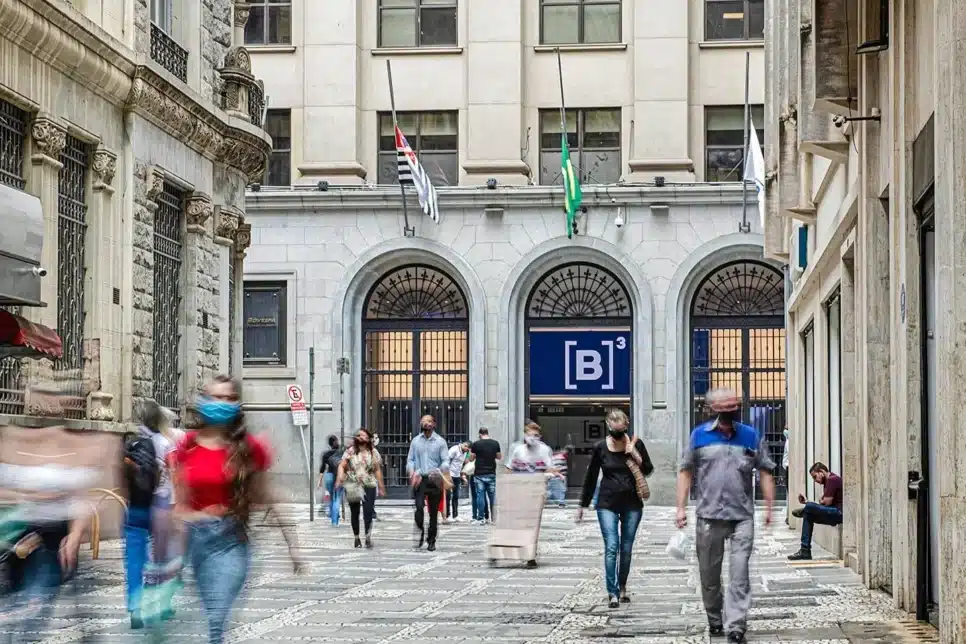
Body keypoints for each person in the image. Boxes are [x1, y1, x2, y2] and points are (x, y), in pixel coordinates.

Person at [171, 375, 305, 643]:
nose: (222, 403)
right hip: (197, 542)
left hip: (231, 540)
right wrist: (196, 520)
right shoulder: (188, 445)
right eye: (216, 397)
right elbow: (179, 507)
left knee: (216, 614)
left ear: (237, 404)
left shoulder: (249, 448)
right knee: (207, 613)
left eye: (229, 398)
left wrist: (293, 548)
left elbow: (269, 496)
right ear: (204, 401)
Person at [676, 388, 775, 644]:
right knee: (709, 575)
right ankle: (715, 619)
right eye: (725, 408)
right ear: (713, 410)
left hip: (742, 516)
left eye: (734, 406)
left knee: (739, 574)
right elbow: (685, 471)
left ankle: (736, 626)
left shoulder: (750, 436)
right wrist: (680, 507)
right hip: (708, 516)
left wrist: (769, 506)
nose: (731, 411)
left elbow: (765, 470)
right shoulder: (699, 436)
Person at [577, 410, 653, 608]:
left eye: (620, 430)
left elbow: (648, 469)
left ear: (626, 426)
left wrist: (634, 453)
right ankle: (612, 592)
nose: (617, 434)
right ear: (608, 426)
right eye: (614, 430)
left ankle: (622, 586)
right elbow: (591, 476)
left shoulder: (636, 444)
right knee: (612, 546)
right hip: (607, 503)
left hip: (632, 503)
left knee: (626, 548)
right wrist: (583, 504)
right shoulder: (600, 447)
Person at [124, 399, 181, 628]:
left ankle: (135, 608)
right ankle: (161, 603)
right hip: (161, 506)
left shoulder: (132, 443)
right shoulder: (167, 444)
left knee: (134, 558)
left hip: (136, 506)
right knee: (164, 557)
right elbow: (175, 475)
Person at [405, 415, 451, 551]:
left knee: (433, 513)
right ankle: (420, 530)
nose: (426, 423)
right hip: (420, 479)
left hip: (435, 479)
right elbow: (410, 460)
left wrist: (439, 470)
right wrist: (412, 472)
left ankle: (431, 540)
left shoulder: (440, 442)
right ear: (420, 424)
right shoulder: (415, 441)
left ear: (434, 424)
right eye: (424, 421)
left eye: (429, 421)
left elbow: (446, 460)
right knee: (419, 508)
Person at [336, 428, 385, 548]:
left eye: (363, 435)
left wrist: (381, 485)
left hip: (369, 484)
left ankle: (368, 536)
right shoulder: (350, 451)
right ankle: (356, 537)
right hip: (353, 484)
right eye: (359, 435)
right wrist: (340, 477)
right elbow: (342, 465)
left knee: (368, 511)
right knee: (355, 512)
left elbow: (377, 469)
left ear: (368, 438)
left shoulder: (373, 452)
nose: (361, 437)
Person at [787, 462, 843, 561]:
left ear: (821, 472)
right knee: (809, 515)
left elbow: (826, 502)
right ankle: (805, 550)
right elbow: (822, 502)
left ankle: (806, 509)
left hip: (838, 513)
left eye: (815, 477)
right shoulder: (827, 482)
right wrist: (809, 503)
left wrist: (812, 503)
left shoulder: (832, 479)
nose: (815, 480)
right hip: (832, 512)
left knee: (809, 507)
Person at [470, 427, 501, 525]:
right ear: (487, 433)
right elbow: (499, 457)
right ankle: (494, 519)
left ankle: (481, 518)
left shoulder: (476, 444)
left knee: (480, 496)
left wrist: (476, 455)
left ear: (480, 434)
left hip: (479, 473)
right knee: (492, 496)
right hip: (491, 472)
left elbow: (471, 458)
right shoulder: (495, 443)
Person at [318, 435, 344, 527]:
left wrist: (319, 481)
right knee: (337, 498)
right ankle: (335, 520)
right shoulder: (341, 453)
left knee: (332, 497)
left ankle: (333, 515)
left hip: (329, 476)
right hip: (338, 476)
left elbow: (322, 468)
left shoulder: (326, 454)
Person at [446, 441, 472, 522]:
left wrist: (463, 476)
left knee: (456, 495)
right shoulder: (454, 450)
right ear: (464, 445)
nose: (467, 451)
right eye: (467, 449)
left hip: (457, 475)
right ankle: (447, 515)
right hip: (450, 475)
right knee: (448, 496)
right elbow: (446, 462)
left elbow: (462, 465)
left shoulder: (465, 453)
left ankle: (455, 515)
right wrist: (447, 475)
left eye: (468, 450)